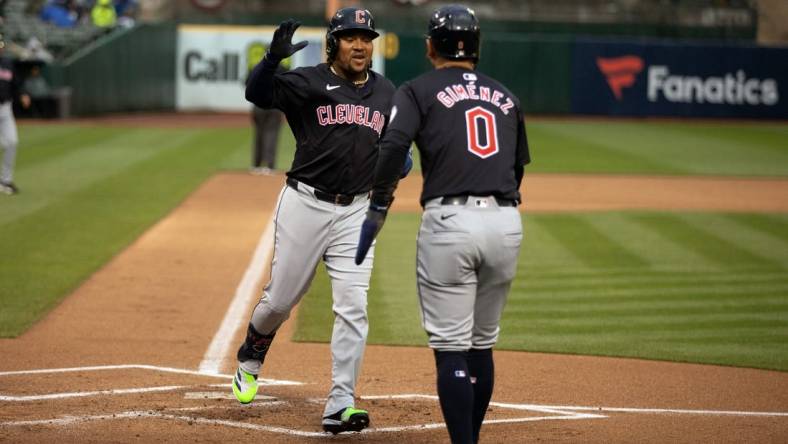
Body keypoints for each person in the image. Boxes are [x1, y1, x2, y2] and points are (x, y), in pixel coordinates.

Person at [355, 5, 530, 443]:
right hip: (507, 221)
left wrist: (379, 204)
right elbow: (516, 168)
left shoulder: (417, 90)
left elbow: (393, 146)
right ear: (477, 48)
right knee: (481, 344)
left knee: (451, 347)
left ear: (431, 47)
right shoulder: (506, 96)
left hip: (451, 222)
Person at [231, 8, 400, 435]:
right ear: (333, 43)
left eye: (366, 37)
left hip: (357, 213)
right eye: (350, 37)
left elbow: (395, 144)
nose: (360, 45)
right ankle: (253, 350)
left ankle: (341, 401)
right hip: (306, 204)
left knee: (353, 308)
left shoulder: (386, 92)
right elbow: (257, 94)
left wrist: (399, 158)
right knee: (280, 301)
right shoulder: (308, 81)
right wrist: (271, 61)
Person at [0, 35, 30, 195]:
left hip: (5, 108)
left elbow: (16, 83)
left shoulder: (7, 63)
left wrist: (23, 94)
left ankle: (5, 180)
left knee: (12, 142)